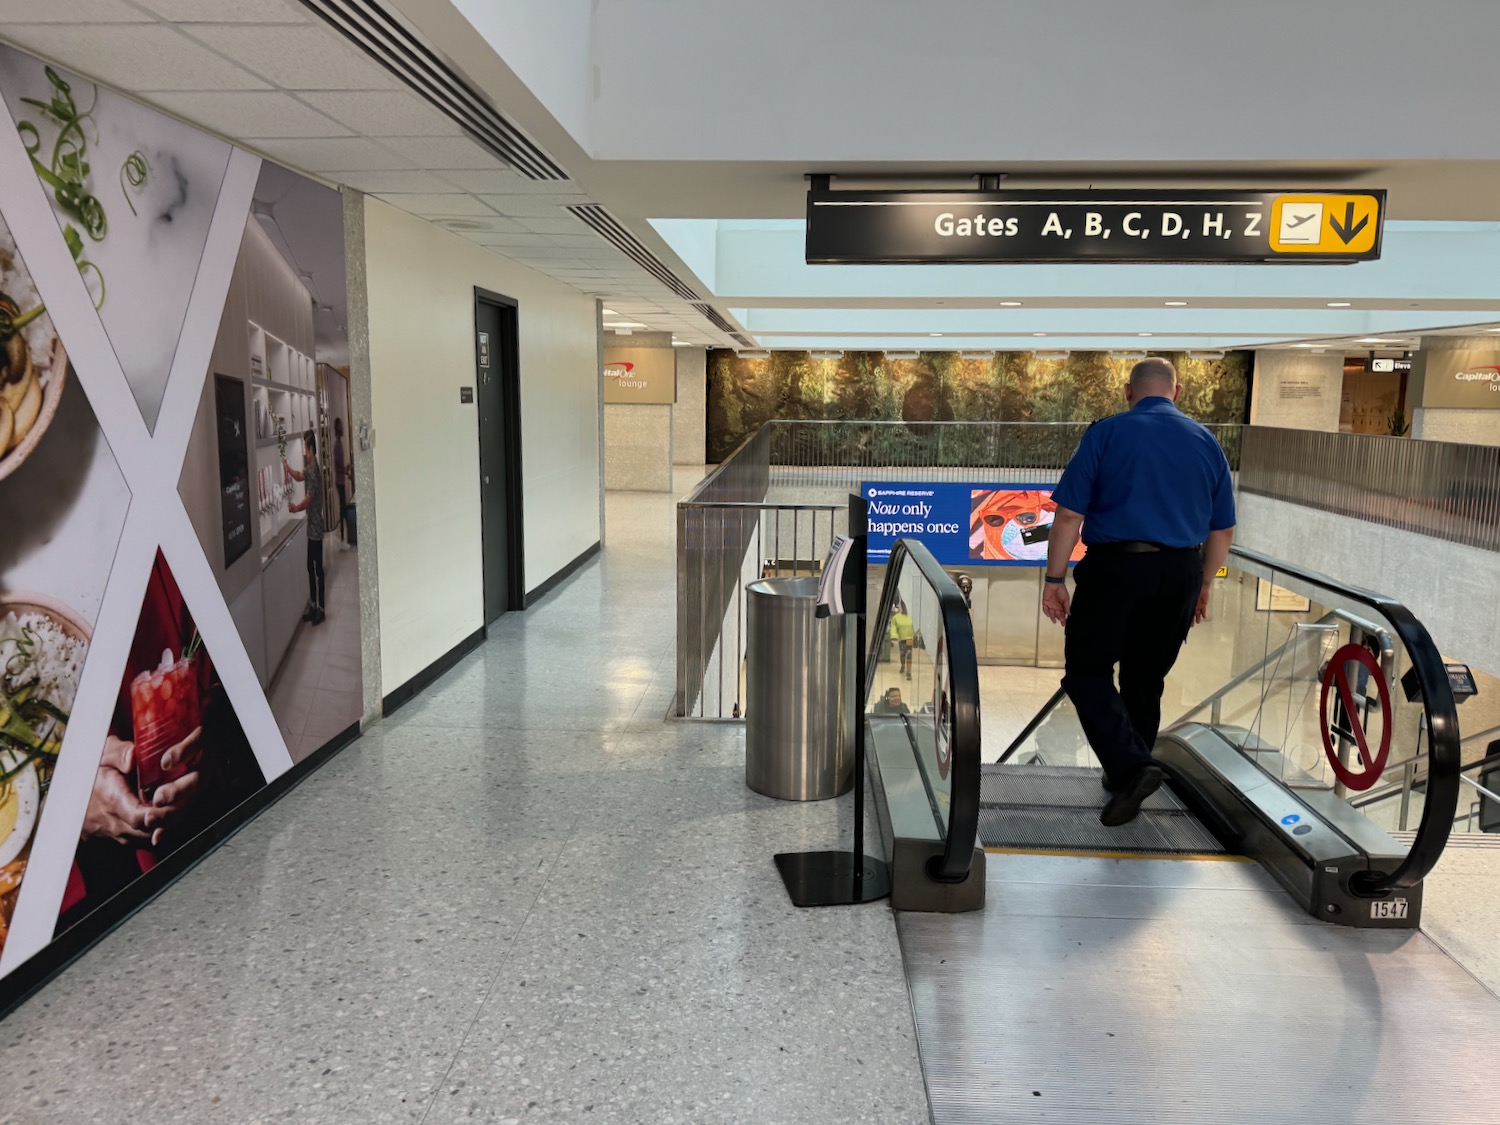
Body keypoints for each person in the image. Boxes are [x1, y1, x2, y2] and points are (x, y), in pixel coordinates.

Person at [1041, 358, 1236, 827]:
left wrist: (1054, 580)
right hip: (1183, 570)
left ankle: (1132, 768)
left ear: (1129, 392)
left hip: (1117, 567)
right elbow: (1223, 529)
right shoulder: (1206, 441)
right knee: (1145, 678)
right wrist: (1204, 584)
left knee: (1087, 670)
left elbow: (1069, 516)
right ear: (1179, 391)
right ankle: (1126, 777)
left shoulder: (1107, 433)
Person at [285, 430, 326, 625]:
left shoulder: (314, 470)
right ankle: (313, 605)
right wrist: (288, 468)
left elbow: (309, 498)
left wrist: (295, 508)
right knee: (311, 566)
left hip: (316, 528)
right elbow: (300, 476)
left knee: (317, 569)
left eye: (305, 448)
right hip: (312, 528)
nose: (304, 451)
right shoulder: (310, 469)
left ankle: (321, 608)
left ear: (310, 449)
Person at [332, 416, 350, 551]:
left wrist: (346, 471)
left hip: (341, 480)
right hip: (339, 482)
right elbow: (337, 466)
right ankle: (343, 539)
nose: (343, 428)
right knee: (343, 510)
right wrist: (345, 470)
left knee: (343, 509)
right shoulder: (337, 446)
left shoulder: (339, 444)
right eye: (341, 426)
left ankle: (344, 538)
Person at [890, 603, 916, 680]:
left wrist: (915, 638)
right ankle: (903, 665)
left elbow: (914, 627)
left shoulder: (911, 617)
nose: (906, 608)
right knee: (902, 654)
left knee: (909, 655)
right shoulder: (896, 618)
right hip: (902, 639)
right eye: (904, 606)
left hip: (909, 639)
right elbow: (893, 627)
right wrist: (894, 636)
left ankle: (908, 673)